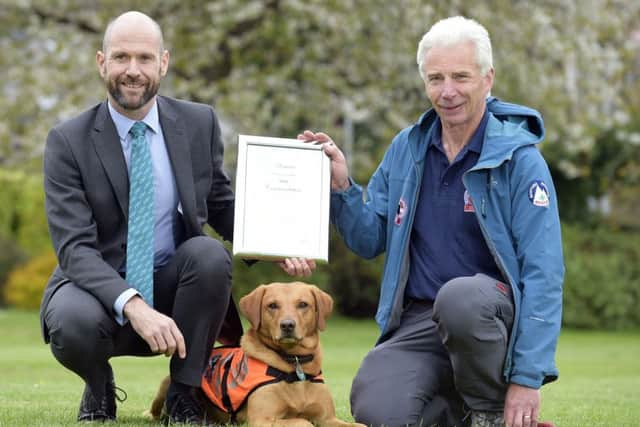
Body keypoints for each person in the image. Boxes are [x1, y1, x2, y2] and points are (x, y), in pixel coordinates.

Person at [40, 11, 314, 424]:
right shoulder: (67, 141)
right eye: (121, 58)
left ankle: (185, 393)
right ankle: (98, 387)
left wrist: (276, 244)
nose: (133, 71)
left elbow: (220, 203)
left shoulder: (197, 122)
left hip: (173, 284)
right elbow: (74, 248)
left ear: (163, 63)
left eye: (145, 58)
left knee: (207, 254)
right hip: (97, 291)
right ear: (102, 62)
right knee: (72, 324)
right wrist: (132, 304)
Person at [299, 16, 563, 427]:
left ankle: (489, 412)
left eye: (461, 77)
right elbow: (369, 239)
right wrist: (342, 187)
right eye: (436, 78)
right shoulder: (407, 147)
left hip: (487, 316)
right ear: (424, 82)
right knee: (377, 409)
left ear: (487, 79)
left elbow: (544, 272)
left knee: (461, 299)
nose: (448, 91)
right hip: (421, 320)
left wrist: (527, 379)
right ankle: (458, 405)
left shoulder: (521, 160)